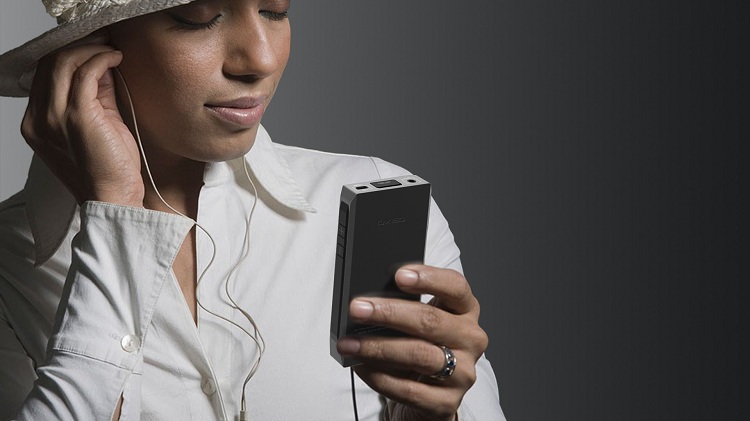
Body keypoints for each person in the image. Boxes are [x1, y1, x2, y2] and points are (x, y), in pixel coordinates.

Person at [0, 1, 505, 420]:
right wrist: (113, 212)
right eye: (199, 18)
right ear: (87, 52)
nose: (260, 59)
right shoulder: (8, 268)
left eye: (275, 10)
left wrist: (430, 414)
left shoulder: (369, 197)